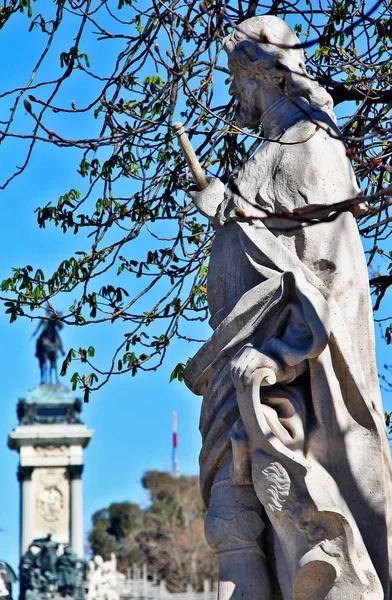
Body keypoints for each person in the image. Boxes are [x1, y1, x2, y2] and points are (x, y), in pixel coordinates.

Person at [184, 15, 392, 599]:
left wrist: (282, 352)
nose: (230, 92)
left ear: (261, 75)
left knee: (283, 506)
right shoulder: (269, 150)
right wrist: (225, 208)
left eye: (234, 77)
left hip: (282, 370)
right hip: (238, 352)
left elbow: (329, 275)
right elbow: (260, 236)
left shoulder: (313, 146)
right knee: (231, 513)